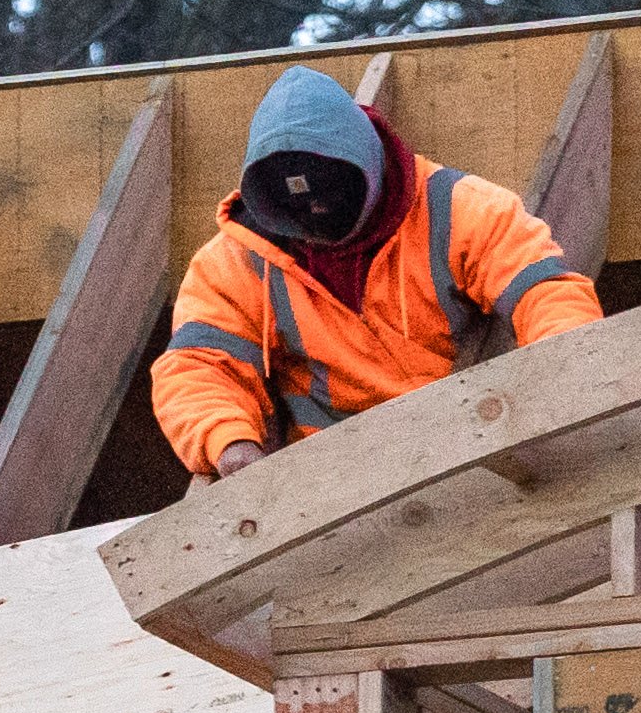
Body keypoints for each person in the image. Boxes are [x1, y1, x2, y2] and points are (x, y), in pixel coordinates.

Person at [149, 65, 601, 481]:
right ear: (269, 199)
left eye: (328, 194)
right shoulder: (235, 263)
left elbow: (547, 292)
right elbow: (197, 367)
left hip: (481, 456)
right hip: (330, 488)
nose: (316, 211)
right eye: (297, 203)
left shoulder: (460, 208)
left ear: (368, 171)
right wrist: (230, 443)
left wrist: (563, 375)